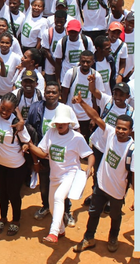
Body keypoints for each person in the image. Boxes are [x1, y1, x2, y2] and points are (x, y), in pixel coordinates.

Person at [71, 94, 134, 253]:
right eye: (118, 127)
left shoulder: (133, 150)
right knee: (93, 212)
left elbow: (134, 176)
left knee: (115, 216)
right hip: (101, 184)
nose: (120, 131)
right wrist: (82, 102)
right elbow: (96, 117)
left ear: (130, 131)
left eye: (124, 129)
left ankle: (113, 238)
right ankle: (88, 238)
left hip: (118, 191)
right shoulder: (111, 133)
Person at [25, 102, 92, 243]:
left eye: (63, 122)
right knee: (52, 205)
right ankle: (61, 229)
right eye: (58, 122)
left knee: (58, 197)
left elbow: (90, 155)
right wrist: (30, 145)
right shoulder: (51, 133)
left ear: (69, 123)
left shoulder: (77, 138)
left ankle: (53, 232)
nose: (60, 125)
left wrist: (89, 168)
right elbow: (43, 153)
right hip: (54, 176)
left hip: (70, 174)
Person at [0, 93, 30, 236]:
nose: (4, 112)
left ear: (13, 110)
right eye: (2, 108)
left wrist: (24, 145)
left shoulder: (17, 124)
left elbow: (27, 142)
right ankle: (3, 217)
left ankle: (16, 220)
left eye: (8, 110)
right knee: (1, 191)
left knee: (13, 193)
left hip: (15, 166)